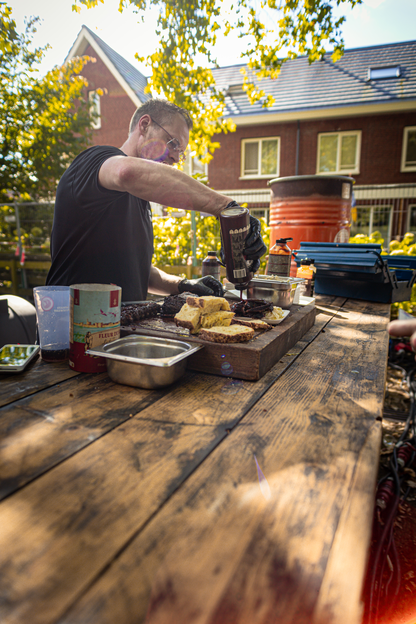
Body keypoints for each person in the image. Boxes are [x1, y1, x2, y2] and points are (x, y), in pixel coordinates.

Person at [46, 99, 267, 301]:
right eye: (172, 143)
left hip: (120, 334)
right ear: (144, 125)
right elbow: (125, 172)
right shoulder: (93, 162)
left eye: (181, 152)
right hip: (73, 333)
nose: (176, 157)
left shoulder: (140, 198)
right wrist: (225, 207)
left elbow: (141, 272)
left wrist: (185, 285)